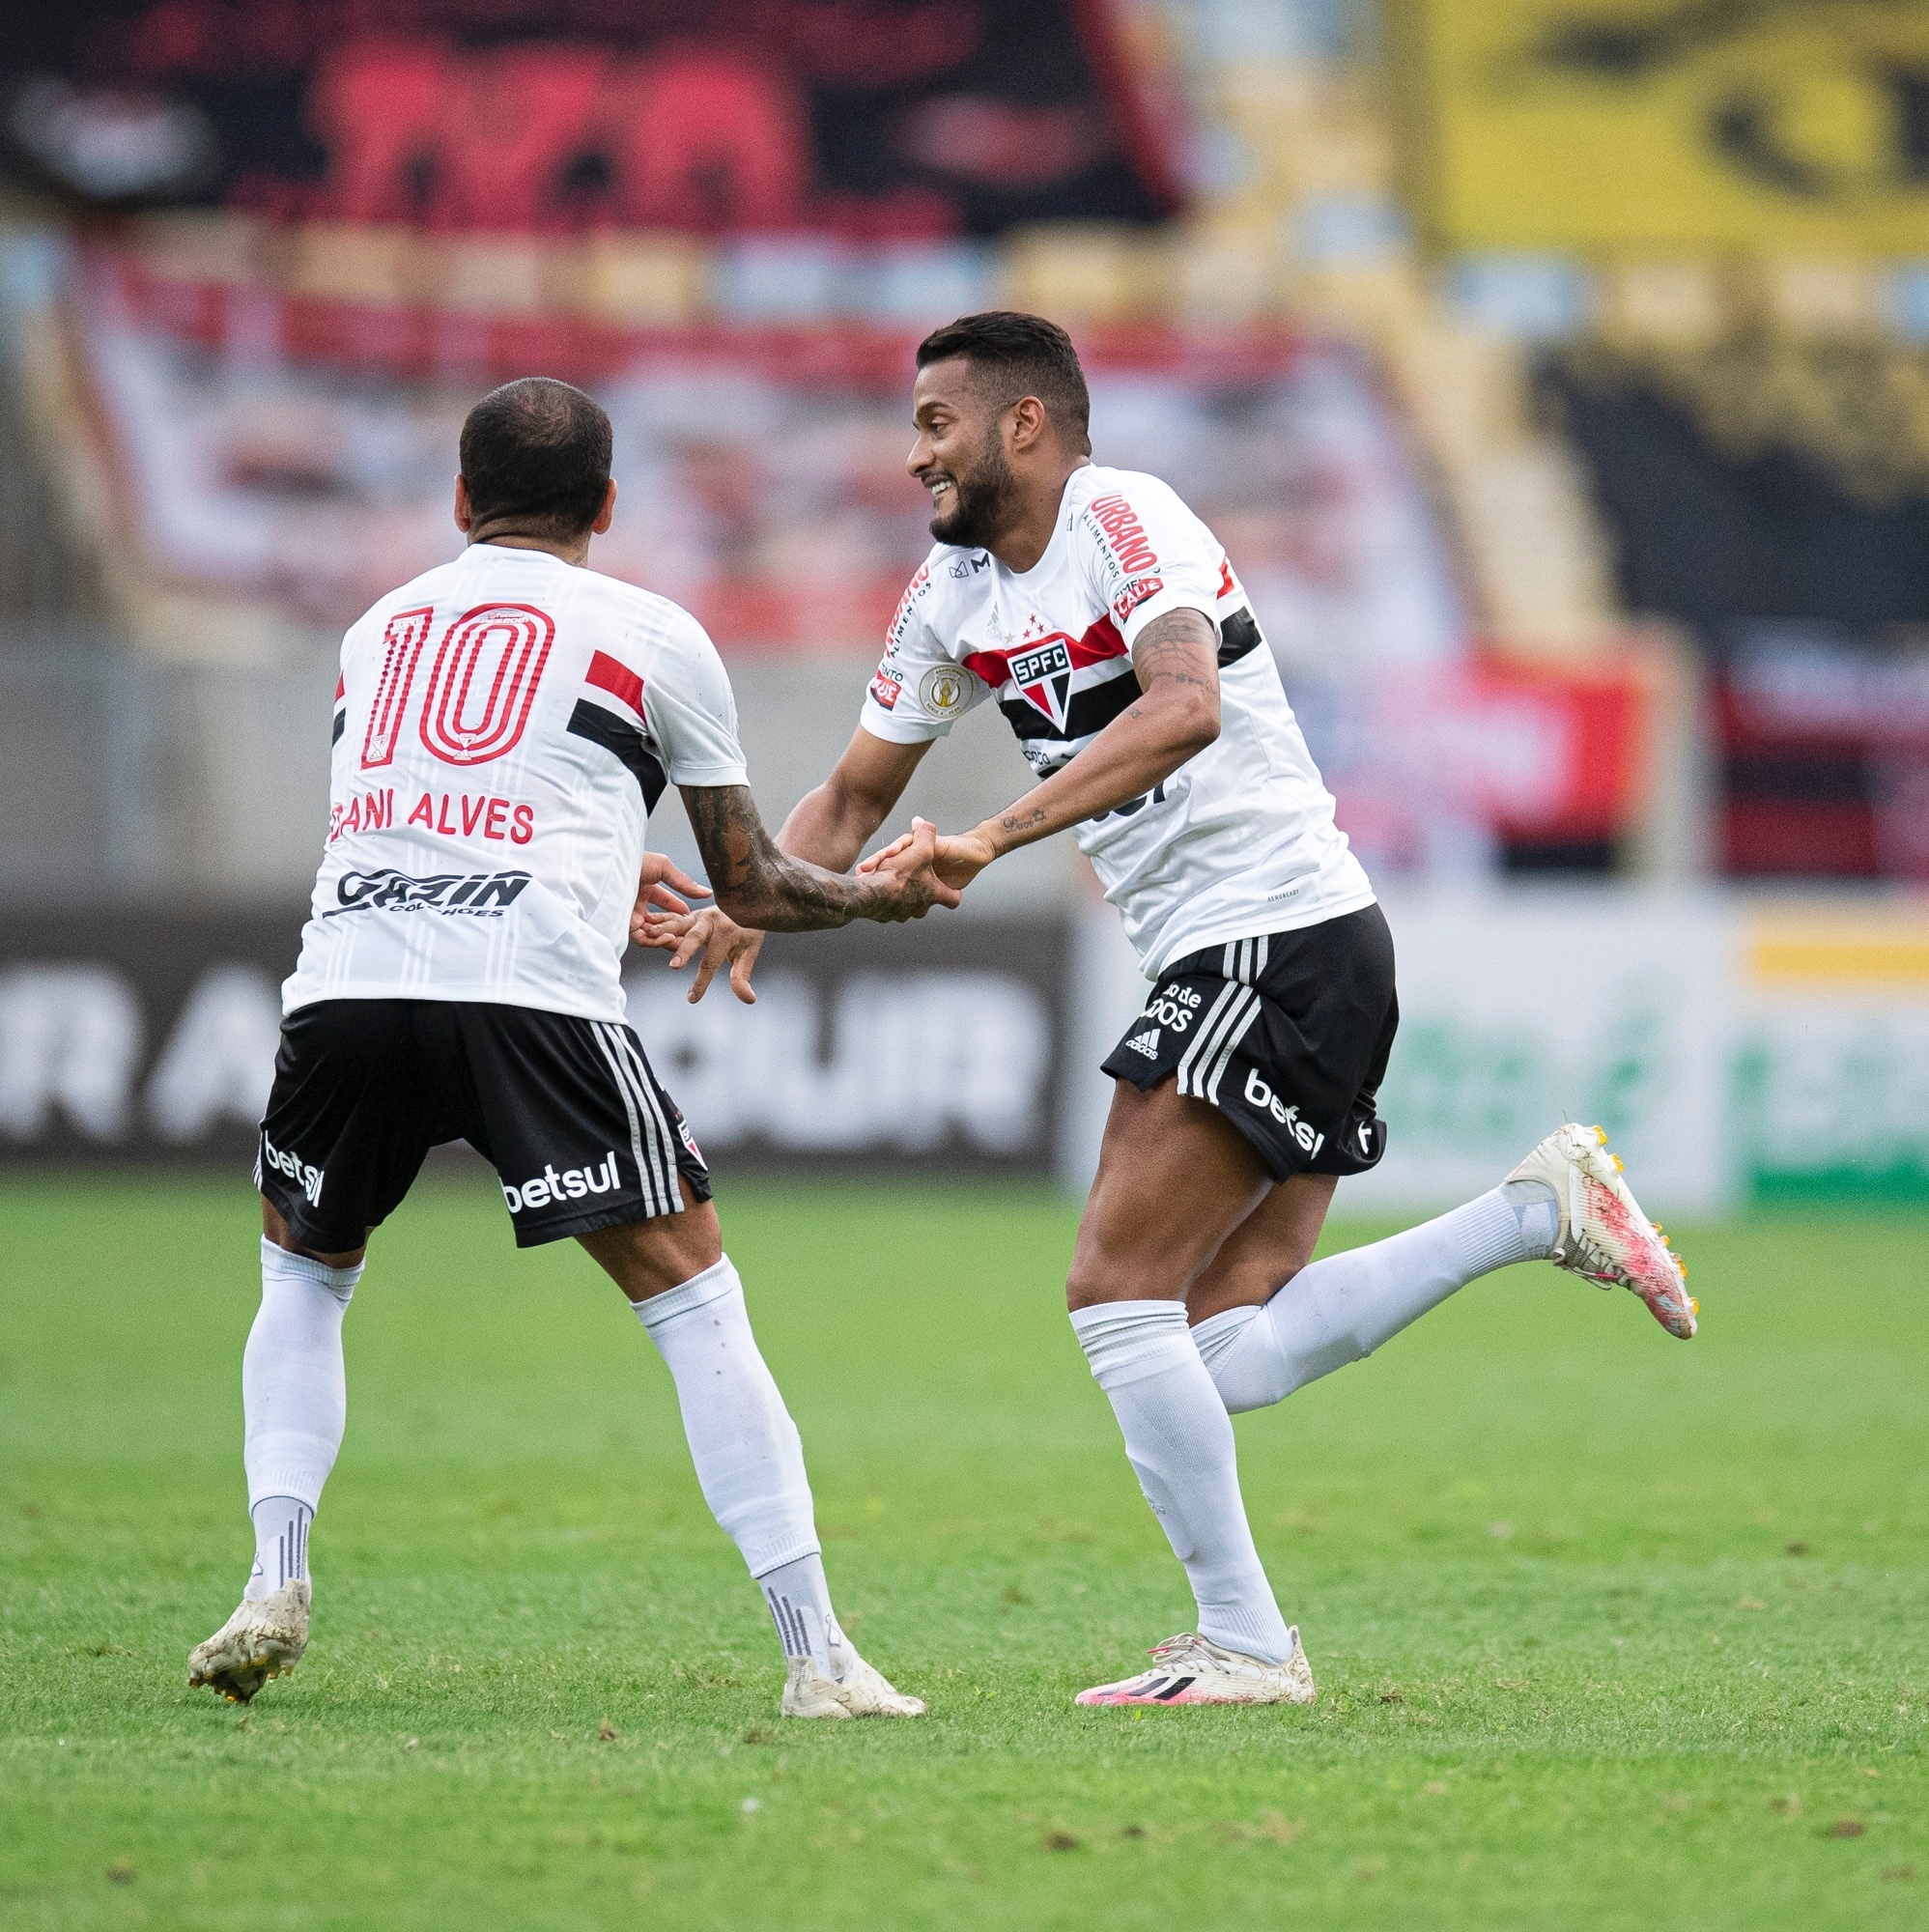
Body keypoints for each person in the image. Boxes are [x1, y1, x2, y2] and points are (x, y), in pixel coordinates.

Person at [638, 313, 1697, 1709]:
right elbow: (847, 800)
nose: (914, 459)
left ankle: (1248, 1645)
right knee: (1213, 1347)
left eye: (935, 425)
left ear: (1024, 424)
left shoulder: (1128, 516)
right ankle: (1532, 1209)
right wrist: (748, 894)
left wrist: (990, 837)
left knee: (1110, 1298)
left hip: (1271, 932)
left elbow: (1184, 705)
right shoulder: (949, 592)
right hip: (1273, 950)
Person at [187, 377, 955, 1721]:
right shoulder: (656, 631)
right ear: (608, 505)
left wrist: (597, 861)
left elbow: (434, 801)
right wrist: (879, 895)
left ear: (459, 502)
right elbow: (757, 882)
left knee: (303, 1277)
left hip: (348, 983)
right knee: (693, 1303)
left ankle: (271, 1577)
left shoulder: (376, 628)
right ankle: (817, 1656)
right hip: (529, 990)